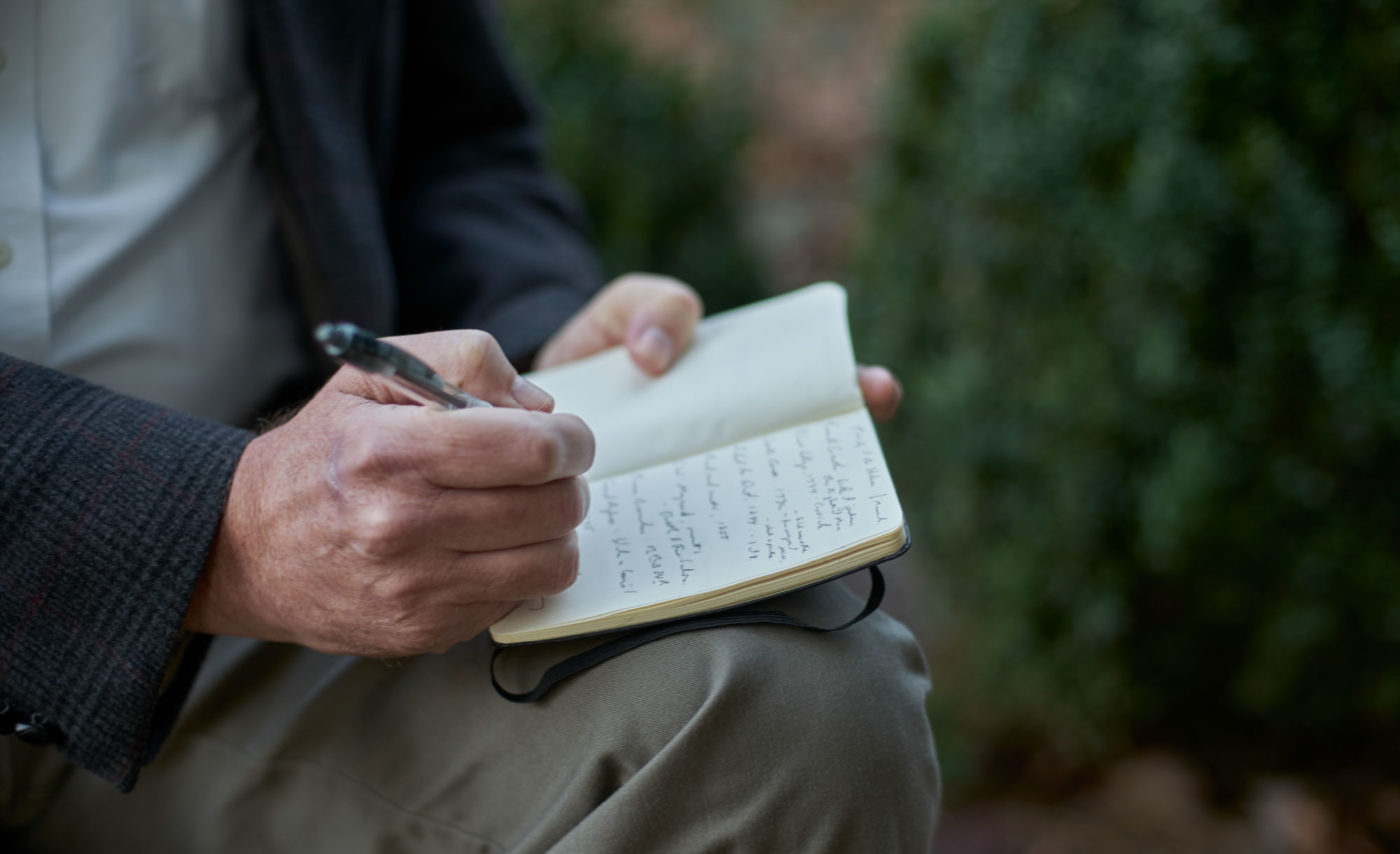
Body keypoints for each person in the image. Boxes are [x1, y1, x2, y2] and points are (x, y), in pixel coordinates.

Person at [0, 1, 939, 850]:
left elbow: (450, 138)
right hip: (144, 565)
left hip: (282, 602)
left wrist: (526, 345)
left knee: (795, 711)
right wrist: (222, 531)